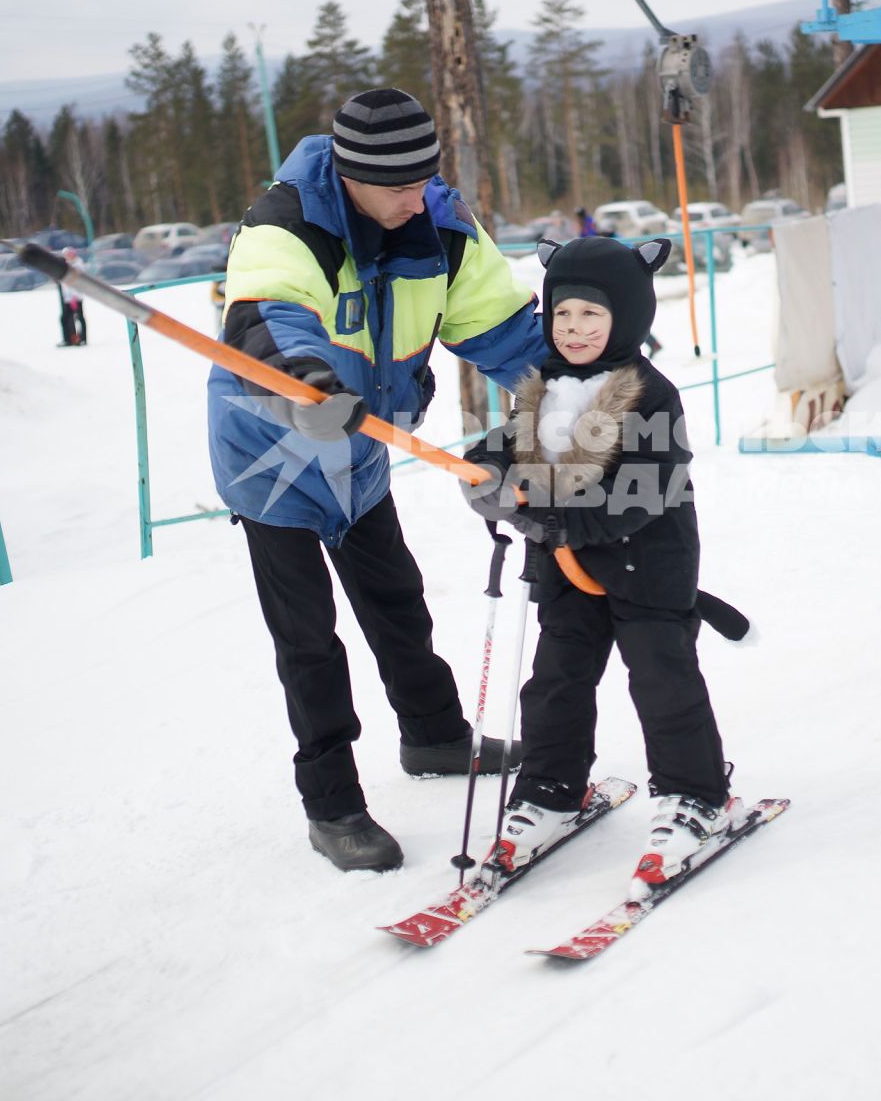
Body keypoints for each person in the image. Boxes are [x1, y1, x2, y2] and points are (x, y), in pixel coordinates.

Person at [208, 88, 549, 873]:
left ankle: (434, 737)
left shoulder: (440, 225)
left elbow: (500, 328)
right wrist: (307, 381)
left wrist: (580, 384)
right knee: (310, 642)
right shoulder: (286, 223)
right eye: (394, 186)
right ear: (351, 174)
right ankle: (333, 806)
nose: (411, 197)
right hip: (276, 448)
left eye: (421, 180)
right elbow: (267, 321)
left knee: (397, 599)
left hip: (361, 446)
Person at [460, 235, 747, 895]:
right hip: (566, 568)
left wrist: (560, 520)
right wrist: (489, 472)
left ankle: (695, 795)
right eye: (562, 314)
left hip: (648, 562)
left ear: (628, 315)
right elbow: (510, 446)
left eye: (592, 315)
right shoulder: (543, 389)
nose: (575, 328)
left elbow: (646, 488)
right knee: (555, 680)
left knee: (660, 677)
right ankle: (551, 788)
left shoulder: (650, 394)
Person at [59, 249, 89, 346]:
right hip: (68, 298)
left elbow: (76, 283)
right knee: (65, 319)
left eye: (67, 255)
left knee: (79, 318)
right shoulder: (68, 265)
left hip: (75, 297)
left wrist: (74, 297)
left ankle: (82, 339)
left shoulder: (77, 265)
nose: (66, 257)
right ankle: (70, 339)